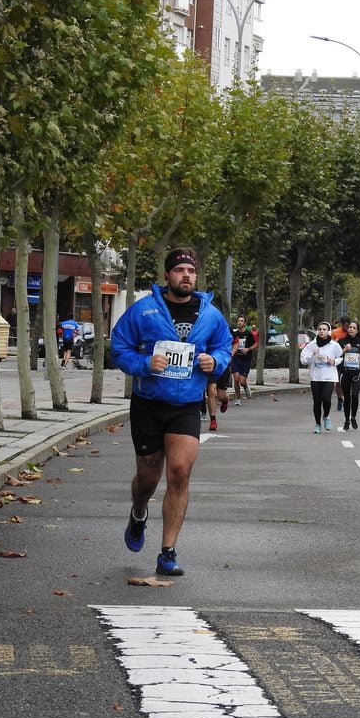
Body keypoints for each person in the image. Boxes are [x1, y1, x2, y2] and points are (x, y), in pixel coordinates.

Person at [112, 247, 232, 577]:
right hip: (149, 404)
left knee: (179, 472)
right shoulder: (145, 310)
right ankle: (138, 512)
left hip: (185, 406)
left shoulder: (210, 315)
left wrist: (216, 362)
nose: (186, 276)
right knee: (148, 479)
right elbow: (118, 347)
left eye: (191, 272)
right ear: (168, 276)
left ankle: (167, 551)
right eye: (180, 271)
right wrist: (143, 364)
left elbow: (224, 346)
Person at [299, 322, 342, 433]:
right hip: (316, 377)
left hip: (329, 376)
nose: (322, 331)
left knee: (326, 399)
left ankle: (326, 416)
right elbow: (303, 360)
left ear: (328, 331)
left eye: (324, 329)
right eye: (320, 329)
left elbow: (341, 357)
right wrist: (312, 355)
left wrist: (334, 361)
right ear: (317, 331)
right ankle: (318, 424)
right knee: (317, 402)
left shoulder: (334, 345)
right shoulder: (312, 345)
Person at [337, 321, 360, 431]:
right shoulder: (342, 341)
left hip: (357, 373)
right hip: (345, 372)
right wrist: (344, 350)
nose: (351, 329)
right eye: (350, 327)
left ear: (357, 330)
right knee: (347, 398)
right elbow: (337, 354)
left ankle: (353, 417)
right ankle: (347, 420)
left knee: (355, 395)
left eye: (354, 328)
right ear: (347, 329)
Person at [230, 315, 255, 404]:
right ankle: (238, 398)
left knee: (242, 381)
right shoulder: (234, 333)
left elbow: (256, 344)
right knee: (236, 378)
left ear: (245, 323)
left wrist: (248, 349)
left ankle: (245, 386)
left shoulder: (249, 334)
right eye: (238, 321)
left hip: (245, 359)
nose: (239, 322)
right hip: (236, 358)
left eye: (241, 321)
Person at [331, 317, 350, 411]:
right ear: (342, 324)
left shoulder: (351, 332)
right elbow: (329, 344)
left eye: (349, 325)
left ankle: (346, 399)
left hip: (349, 359)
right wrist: (335, 342)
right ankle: (340, 399)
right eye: (346, 325)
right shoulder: (335, 332)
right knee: (337, 382)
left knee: (346, 382)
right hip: (338, 358)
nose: (348, 327)